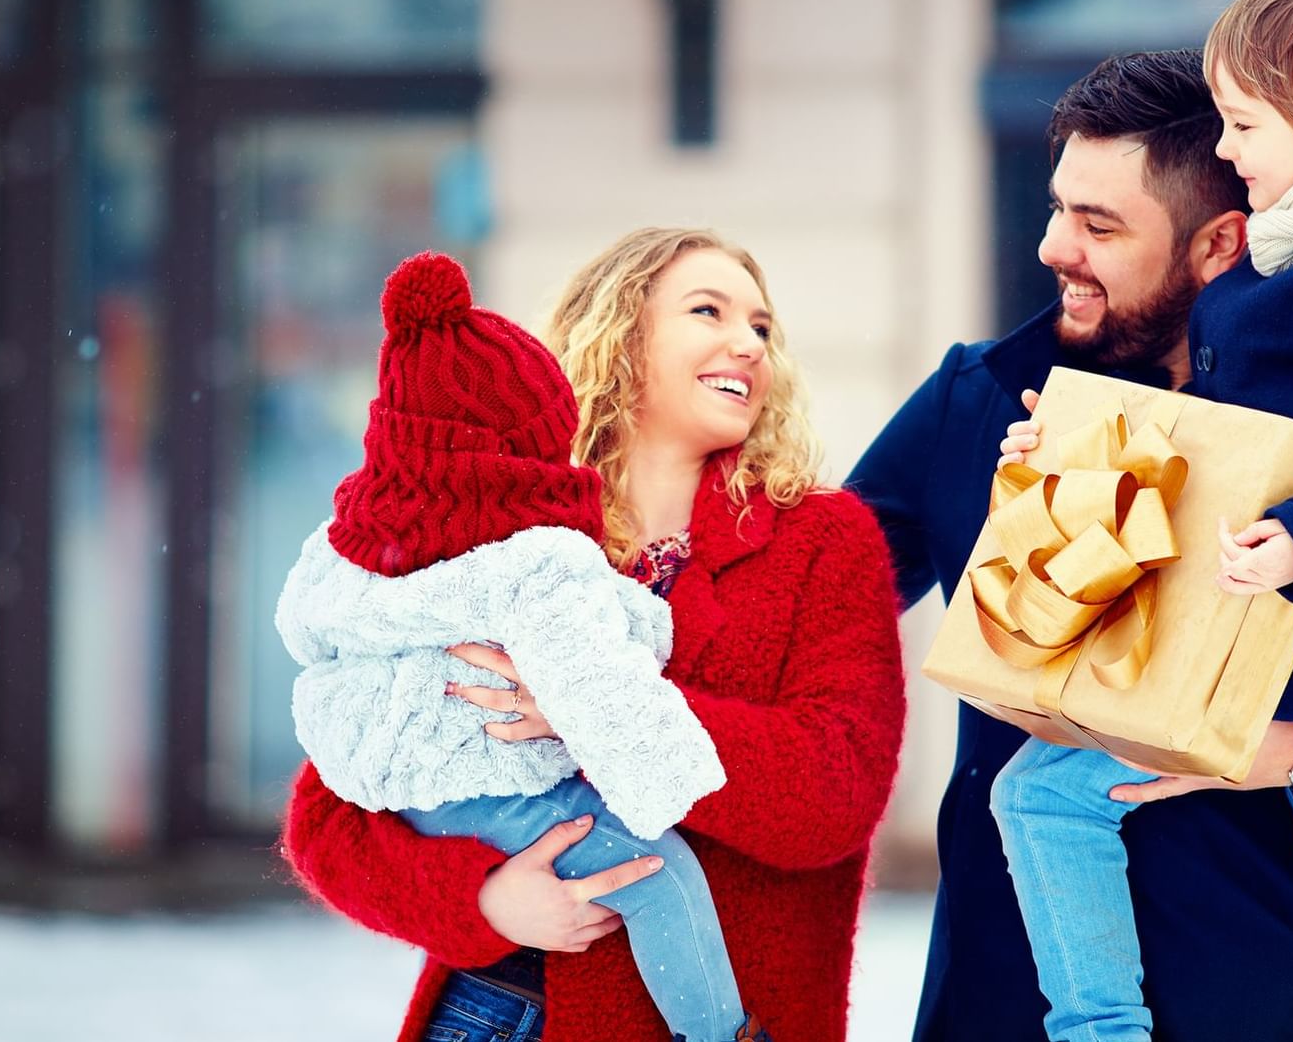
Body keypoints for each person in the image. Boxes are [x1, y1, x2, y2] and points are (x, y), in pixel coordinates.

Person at [846, 49, 1293, 1041]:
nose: (1054, 247)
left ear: (1220, 243)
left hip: (1283, 1006)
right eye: (1058, 207)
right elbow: (808, 602)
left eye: (1099, 224)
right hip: (1014, 1008)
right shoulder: (976, 401)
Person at [280, 228, 908, 1042]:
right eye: (708, 310)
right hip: (490, 1009)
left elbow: (834, 795)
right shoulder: (490, 530)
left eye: (761, 326)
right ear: (618, 333)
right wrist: (482, 898)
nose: (746, 343)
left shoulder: (822, 540)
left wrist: (598, 708)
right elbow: (330, 817)